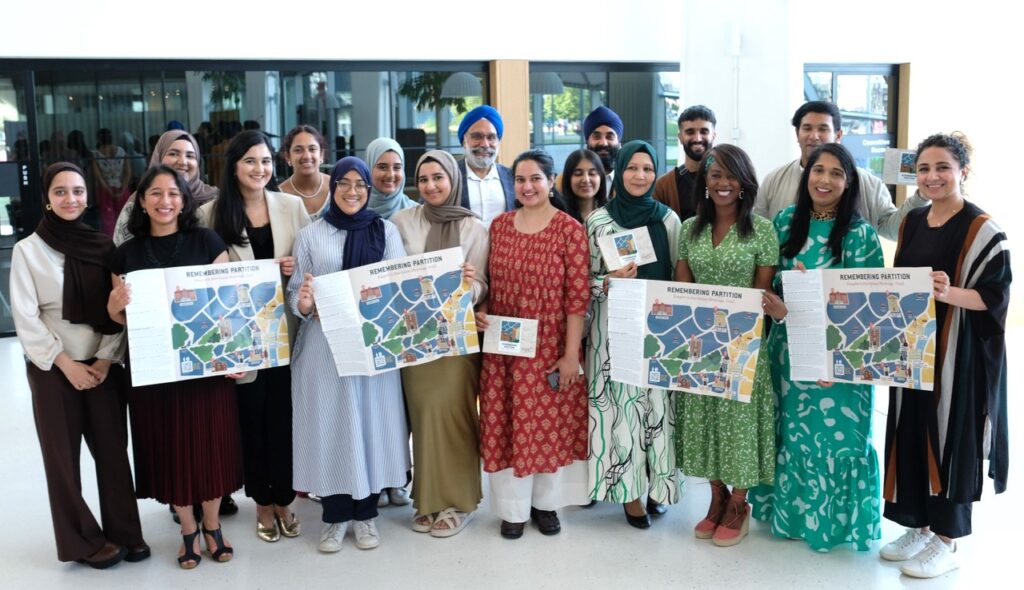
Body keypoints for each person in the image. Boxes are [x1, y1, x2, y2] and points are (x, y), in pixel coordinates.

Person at [879, 133, 1010, 579]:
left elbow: (995, 300)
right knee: (911, 431)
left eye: (942, 168)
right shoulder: (913, 221)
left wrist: (949, 292)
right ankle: (918, 524)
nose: (932, 177)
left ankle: (947, 539)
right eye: (923, 169)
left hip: (958, 355)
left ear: (962, 172)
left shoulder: (982, 229)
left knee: (950, 437)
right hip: (914, 348)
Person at [11, 162, 148, 569]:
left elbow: (119, 309)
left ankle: (124, 531)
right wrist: (66, 364)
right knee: (63, 460)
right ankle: (82, 542)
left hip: (103, 365)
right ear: (47, 200)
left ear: (88, 196)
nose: (71, 199)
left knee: (112, 452)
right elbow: (26, 317)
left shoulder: (104, 247)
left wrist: (105, 360)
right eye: (60, 192)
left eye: (77, 191)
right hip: (53, 368)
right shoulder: (28, 251)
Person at [107, 165, 243, 569]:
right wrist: (114, 309)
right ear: (142, 201)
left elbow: (229, 307)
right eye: (156, 193)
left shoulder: (208, 241)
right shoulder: (125, 254)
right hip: (154, 372)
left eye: (173, 193)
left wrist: (235, 355)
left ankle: (214, 525)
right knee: (169, 448)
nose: (165, 201)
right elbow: (121, 318)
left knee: (210, 445)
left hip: (204, 367)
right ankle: (187, 528)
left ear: (184, 200)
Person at [750, 143, 885, 551]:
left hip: (840, 363)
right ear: (805, 175)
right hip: (790, 353)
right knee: (793, 434)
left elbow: (870, 310)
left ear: (849, 182)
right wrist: (775, 305)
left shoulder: (861, 236)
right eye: (817, 171)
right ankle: (790, 516)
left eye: (836, 173)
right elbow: (771, 287)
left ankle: (834, 524)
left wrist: (839, 362)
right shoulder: (786, 221)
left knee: (839, 439)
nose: (824, 180)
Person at [289, 157, 411, 553]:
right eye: (345, 183)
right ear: (333, 186)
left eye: (360, 184)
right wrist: (305, 302)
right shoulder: (312, 235)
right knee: (332, 427)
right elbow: (295, 294)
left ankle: (367, 514)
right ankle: (335, 516)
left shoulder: (386, 231)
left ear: (369, 190)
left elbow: (397, 286)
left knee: (370, 426)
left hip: (372, 347)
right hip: (324, 348)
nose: (353, 191)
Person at [198, 129, 311, 543]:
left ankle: (284, 499)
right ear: (233, 167)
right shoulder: (210, 214)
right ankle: (261, 504)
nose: (260, 169)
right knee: (251, 422)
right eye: (250, 161)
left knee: (284, 421)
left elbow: (311, 264)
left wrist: (292, 269)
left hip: (288, 332)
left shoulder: (293, 206)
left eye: (265, 161)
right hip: (240, 339)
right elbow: (206, 282)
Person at [476, 149, 590, 539]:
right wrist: (484, 312)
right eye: (520, 180)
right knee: (509, 425)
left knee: (548, 427)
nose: (527, 187)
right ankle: (512, 510)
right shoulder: (499, 226)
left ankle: (546, 506)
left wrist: (571, 354)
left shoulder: (569, 230)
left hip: (550, 347)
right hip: (505, 349)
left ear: (551, 181)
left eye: (535, 179)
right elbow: (490, 283)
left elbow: (577, 299)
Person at [675, 144, 778, 547]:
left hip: (744, 346)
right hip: (700, 344)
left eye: (730, 175)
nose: (722, 183)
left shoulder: (763, 230)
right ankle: (715, 498)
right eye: (715, 175)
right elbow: (682, 290)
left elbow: (761, 294)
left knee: (738, 426)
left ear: (744, 182)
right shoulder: (689, 229)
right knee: (703, 423)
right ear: (705, 181)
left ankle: (739, 503)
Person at [391, 149, 489, 536]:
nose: (431, 186)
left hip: (456, 340)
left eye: (439, 178)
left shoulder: (473, 228)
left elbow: (483, 286)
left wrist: (470, 281)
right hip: (413, 340)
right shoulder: (401, 222)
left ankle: (460, 502)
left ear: (453, 180)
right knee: (424, 417)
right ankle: (428, 499)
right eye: (424, 178)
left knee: (454, 417)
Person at [586, 140, 682, 527]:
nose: (639, 176)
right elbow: (583, 279)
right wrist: (605, 282)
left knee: (658, 411)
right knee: (621, 414)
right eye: (631, 168)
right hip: (611, 331)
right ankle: (628, 496)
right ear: (619, 171)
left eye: (647, 169)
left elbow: (679, 274)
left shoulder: (668, 220)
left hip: (658, 331)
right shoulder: (598, 221)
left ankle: (658, 487)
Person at [755, 101, 925, 241]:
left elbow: (894, 230)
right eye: (807, 128)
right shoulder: (774, 181)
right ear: (797, 133)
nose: (814, 136)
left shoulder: (869, 184)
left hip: (849, 280)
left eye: (823, 129)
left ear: (838, 134)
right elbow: (759, 234)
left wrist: (921, 197)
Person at [113, 130, 219, 246]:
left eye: (190, 156)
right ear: (159, 157)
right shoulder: (138, 202)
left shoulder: (216, 199)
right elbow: (122, 250)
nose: (183, 162)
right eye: (173, 154)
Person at [654, 105, 717, 221]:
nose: (697, 138)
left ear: (713, 136)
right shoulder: (663, 186)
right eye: (690, 132)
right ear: (680, 137)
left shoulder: (730, 179)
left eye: (704, 131)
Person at [455, 105, 515, 226]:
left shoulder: (512, 177)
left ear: (498, 141)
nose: (485, 144)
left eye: (491, 137)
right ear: (464, 140)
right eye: (477, 136)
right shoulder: (449, 175)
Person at [278, 125, 332, 220]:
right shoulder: (278, 196)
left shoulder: (337, 187)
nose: (306, 156)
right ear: (287, 157)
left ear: (321, 154)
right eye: (298, 150)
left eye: (312, 149)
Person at [91, 128, 132, 236]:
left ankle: (112, 244)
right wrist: (123, 189)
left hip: (104, 190)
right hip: (121, 188)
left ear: (98, 139)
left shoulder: (95, 154)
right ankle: (125, 240)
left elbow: (98, 177)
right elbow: (127, 173)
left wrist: (107, 189)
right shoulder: (122, 152)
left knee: (108, 220)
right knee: (124, 218)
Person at [366, 137, 417, 221]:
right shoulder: (354, 211)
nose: (391, 175)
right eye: (382, 167)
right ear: (369, 168)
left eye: (397, 167)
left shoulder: (416, 213)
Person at [559, 149, 608, 223]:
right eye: (578, 174)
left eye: (592, 173)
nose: (586, 180)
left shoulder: (612, 212)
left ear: (601, 178)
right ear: (568, 178)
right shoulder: (559, 216)